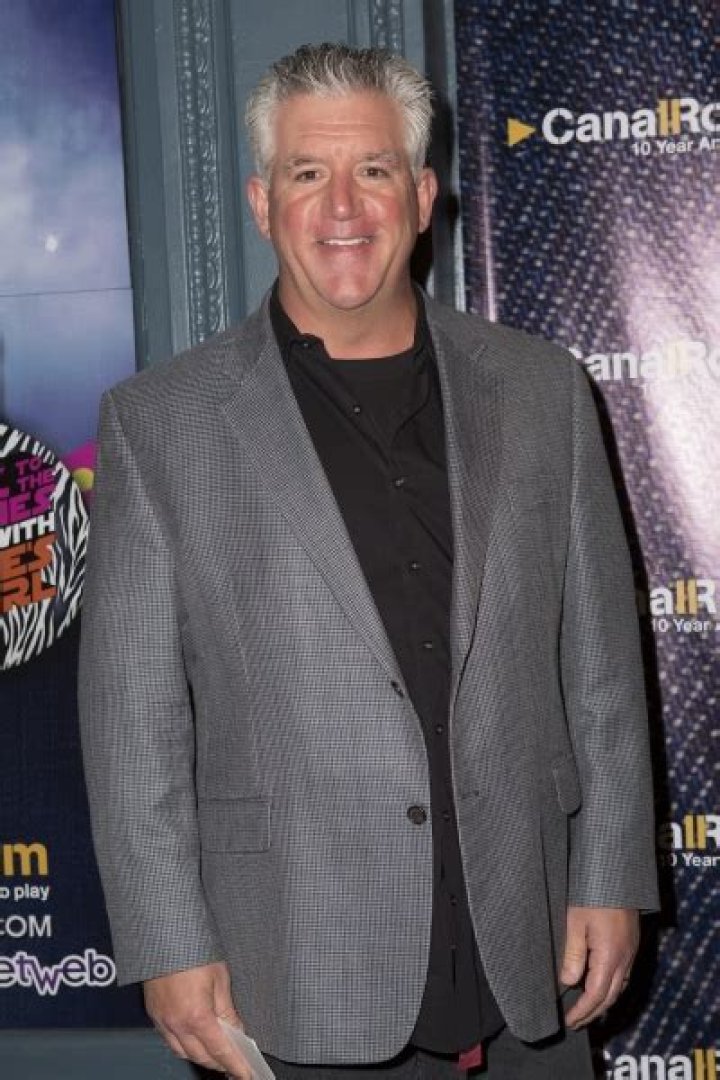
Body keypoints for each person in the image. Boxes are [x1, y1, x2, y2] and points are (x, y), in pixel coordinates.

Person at [79, 42, 659, 1080]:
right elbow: (133, 724)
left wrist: (610, 874)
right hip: (295, 965)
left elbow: (603, 671)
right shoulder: (161, 425)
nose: (342, 206)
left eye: (375, 170)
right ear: (263, 202)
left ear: (423, 196)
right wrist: (168, 943)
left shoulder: (543, 392)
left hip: (530, 952)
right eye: (308, 172)